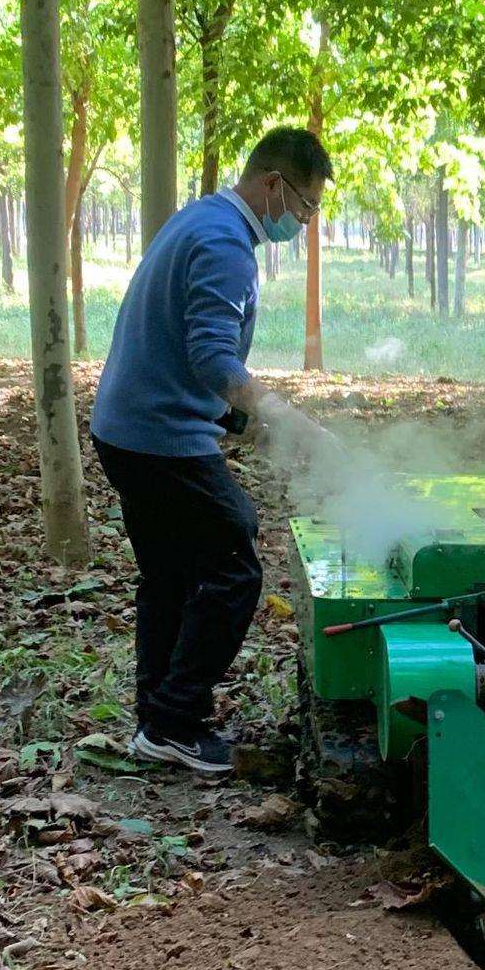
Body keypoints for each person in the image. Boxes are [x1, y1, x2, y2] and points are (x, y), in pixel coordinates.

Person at [89, 127, 337, 775]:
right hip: (157, 437)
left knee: (170, 572)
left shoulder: (199, 217)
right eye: (305, 208)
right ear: (272, 185)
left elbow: (172, 350)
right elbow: (209, 358)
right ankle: (173, 718)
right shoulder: (226, 244)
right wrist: (281, 414)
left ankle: (158, 719)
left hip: (125, 424)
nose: (304, 224)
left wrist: (246, 428)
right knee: (235, 558)